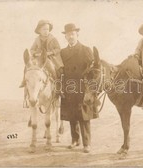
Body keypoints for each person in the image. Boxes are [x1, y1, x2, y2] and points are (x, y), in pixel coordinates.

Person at [60, 23, 99, 153]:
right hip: (69, 87)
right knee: (72, 115)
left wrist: (91, 89)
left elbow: (93, 71)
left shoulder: (86, 50)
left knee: (84, 116)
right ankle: (75, 140)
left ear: (77, 35)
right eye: (68, 35)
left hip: (83, 87)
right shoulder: (62, 52)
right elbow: (60, 70)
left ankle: (87, 143)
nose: (70, 37)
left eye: (72, 34)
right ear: (65, 37)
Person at [20, 20, 65, 100]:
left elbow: (58, 48)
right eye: (44, 29)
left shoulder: (53, 39)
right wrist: (35, 54)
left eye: (47, 29)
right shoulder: (37, 39)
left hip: (50, 58)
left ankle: (58, 88)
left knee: (53, 69)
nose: (46, 31)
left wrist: (50, 52)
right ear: (39, 31)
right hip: (39, 59)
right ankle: (24, 82)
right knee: (27, 67)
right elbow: (32, 50)